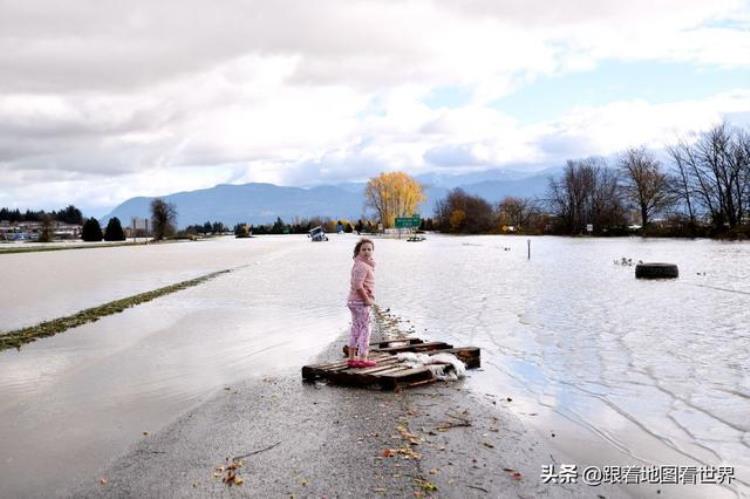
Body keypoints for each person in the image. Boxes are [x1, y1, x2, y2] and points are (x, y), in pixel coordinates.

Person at [347, 238, 377, 368]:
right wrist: (366, 300)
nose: (366, 251)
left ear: (372, 251)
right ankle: (363, 359)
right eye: (363, 249)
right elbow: (358, 285)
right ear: (359, 251)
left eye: (369, 249)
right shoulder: (362, 266)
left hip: (354, 301)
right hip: (360, 302)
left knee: (356, 327)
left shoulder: (359, 264)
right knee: (365, 329)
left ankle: (352, 358)